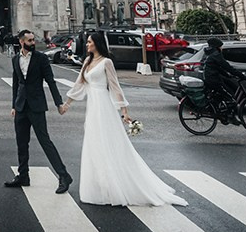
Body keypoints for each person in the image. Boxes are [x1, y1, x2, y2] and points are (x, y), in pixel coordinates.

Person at [62, 33, 186, 207]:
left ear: (97, 44)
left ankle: (115, 186)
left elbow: (115, 86)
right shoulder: (87, 62)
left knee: (108, 143)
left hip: (104, 106)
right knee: (94, 144)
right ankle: (100, 186)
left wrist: (124, 110)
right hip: (92, 108)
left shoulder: (107, 62)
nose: (87, 44)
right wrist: (67, 104)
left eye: (90, 42)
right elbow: (79, 85)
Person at [5, 29, 72, 194]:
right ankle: (23, 176)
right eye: (29, 41)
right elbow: (16, 83)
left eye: (33, 40)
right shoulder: (15, 59)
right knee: (21, 143)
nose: (33, 43)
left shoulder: (41, 58)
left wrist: (59, 103)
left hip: (36, 106)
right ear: (21, 42)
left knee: (45, 141)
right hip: (21, 106)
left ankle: (63, 175)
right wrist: (14, 105)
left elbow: (51, 81)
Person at [200, 38, 246, 123]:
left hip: (209, 78)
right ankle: (230, 117)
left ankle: (222, 114)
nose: (221, 48)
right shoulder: (216, 54)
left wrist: (228, 75)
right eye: (220, 46)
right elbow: (227, 66)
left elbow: (218, 68)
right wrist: (241, 76)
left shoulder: (208, 53)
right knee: (231, 98)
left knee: (223, 94)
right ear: (217, 46)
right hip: (214, 80)